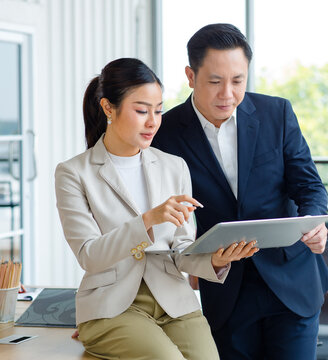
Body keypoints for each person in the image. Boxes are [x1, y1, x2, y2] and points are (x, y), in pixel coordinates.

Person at [54, 57, 257, 360]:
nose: (153, 121)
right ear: (108, 108)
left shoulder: (173, 167)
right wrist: (148, 219)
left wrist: (214, 260)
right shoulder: (73, 173)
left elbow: (183, 249)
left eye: (159, 110)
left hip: (174, 301)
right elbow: (89, 256)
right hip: (112, 306)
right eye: (141, 111)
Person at [152, 24, 328, 359]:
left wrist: (313, 221)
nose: (228, 94)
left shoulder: (276, 113)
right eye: (215, 81)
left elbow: (308, 184)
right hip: (226, 288)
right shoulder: (166, 134)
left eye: (238, 81)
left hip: (291, 281)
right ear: (191, 76)